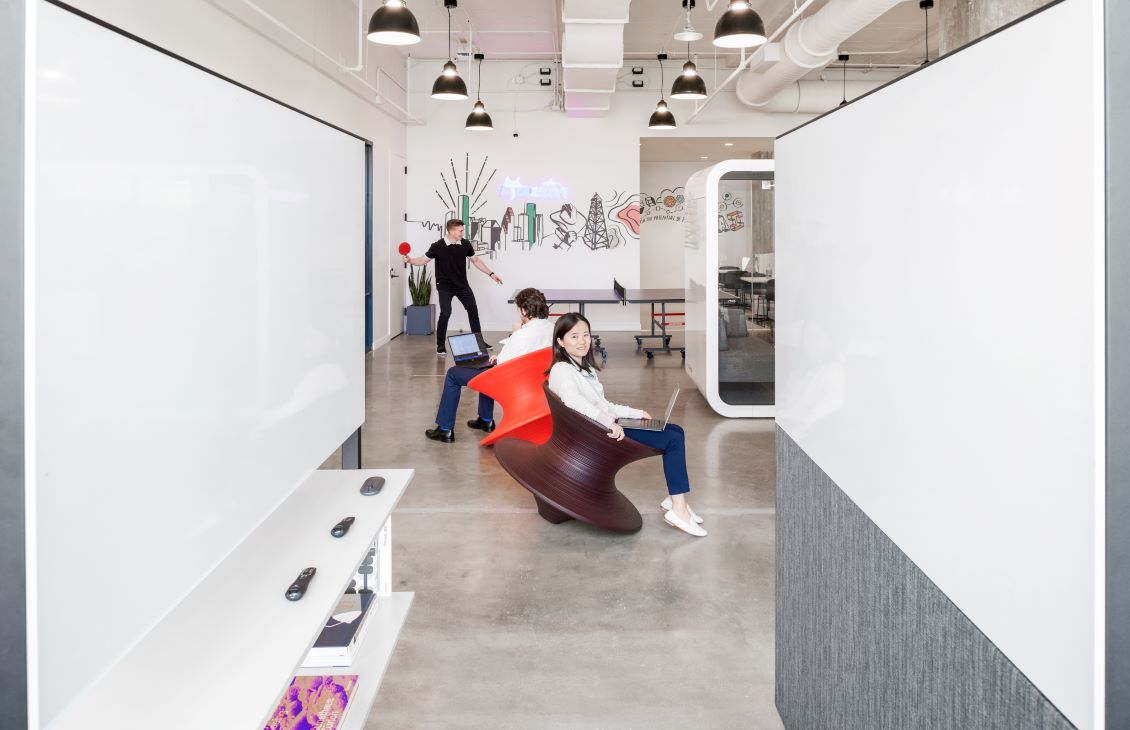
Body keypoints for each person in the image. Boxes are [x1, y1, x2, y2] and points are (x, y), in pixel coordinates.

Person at [546, 312, 706, 537]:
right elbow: (573, 401)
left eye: (586, 335)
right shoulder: (562, 370)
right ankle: (678, 509)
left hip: (604, 425)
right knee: (672, 439)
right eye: (574, 337)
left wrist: (635, 413)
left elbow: (604, 404)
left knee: (675, 430)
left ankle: (674, 498)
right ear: (560, 342)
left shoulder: (583, 368)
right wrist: (610, 422)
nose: (582, 341)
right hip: (598, 433)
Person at [425, 288, 554, 443]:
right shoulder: (553, 329)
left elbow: (502, 365)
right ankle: (485, 420)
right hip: (537, 380)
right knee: (488, 366)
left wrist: (515, 333)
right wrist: (498, 357)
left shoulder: (522, 334)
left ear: (525, 311)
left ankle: (444, 429)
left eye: (519, 310)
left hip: (513, 382)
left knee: (453, 373)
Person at [402, 218, 502, 357]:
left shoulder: (465, 244)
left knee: (473, 310)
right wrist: (411, 260)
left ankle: (479, 342)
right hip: (444, 286)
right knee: (446, 313)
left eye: (462, 230)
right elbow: (423, 260)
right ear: (451, 231)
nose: (462, 233)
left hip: (462, 285)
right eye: (460, 230)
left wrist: (491, 274)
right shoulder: (437, 246)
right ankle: (440, 346)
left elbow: (476, 260)